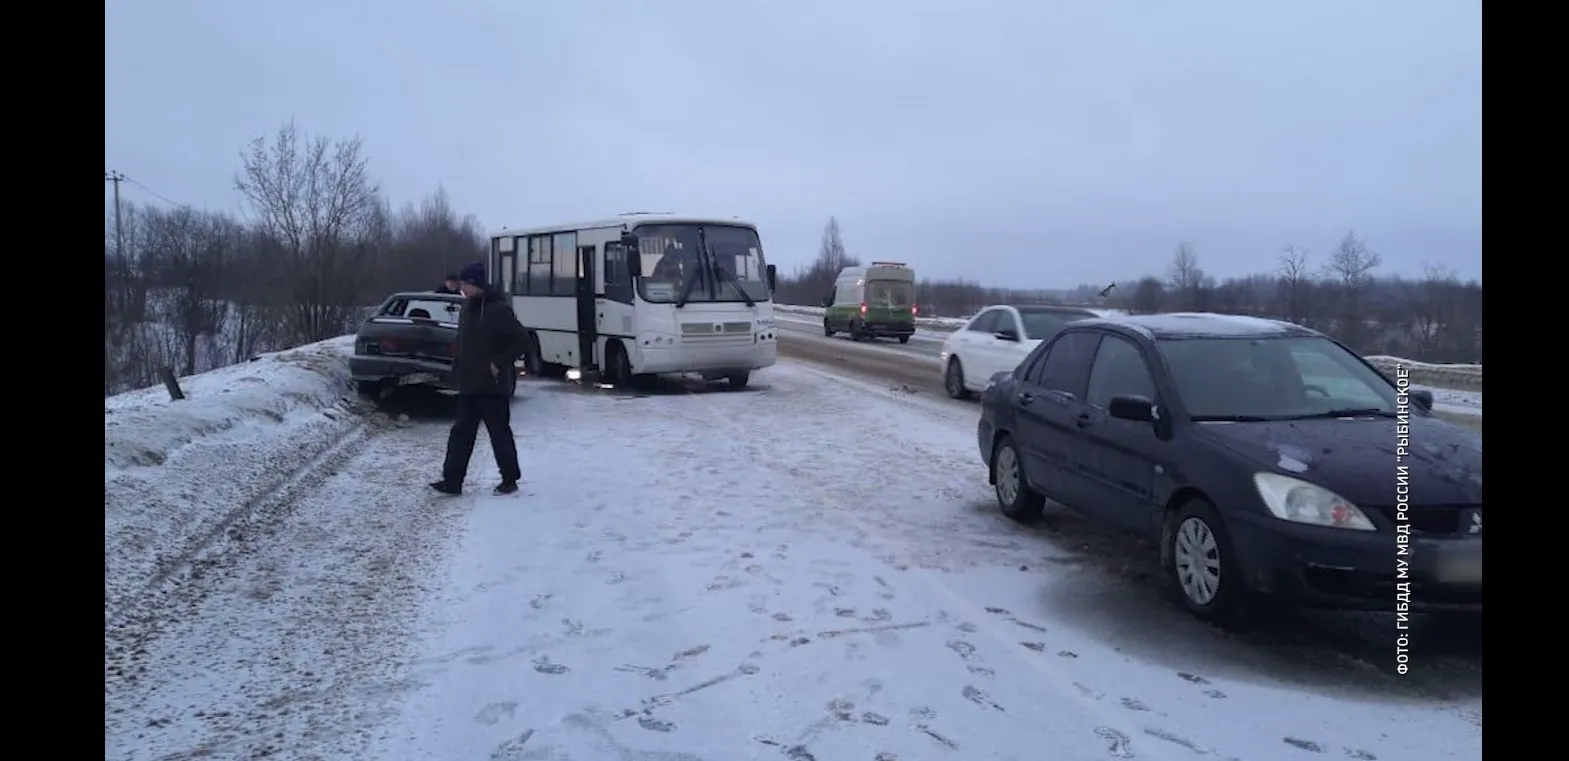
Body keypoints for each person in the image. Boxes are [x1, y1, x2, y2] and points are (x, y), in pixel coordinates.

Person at [430, 262, 528, 496]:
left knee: (499, 433)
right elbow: (465, 342)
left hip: (492, 386)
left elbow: (523, 341)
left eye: (465, 283)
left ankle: (509, 479)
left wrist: (498, 363)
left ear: (476, 284)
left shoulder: (498, 310)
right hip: (469, 383)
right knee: (461, 434)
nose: (461, 287)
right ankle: (452, 481)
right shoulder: (467, 307)